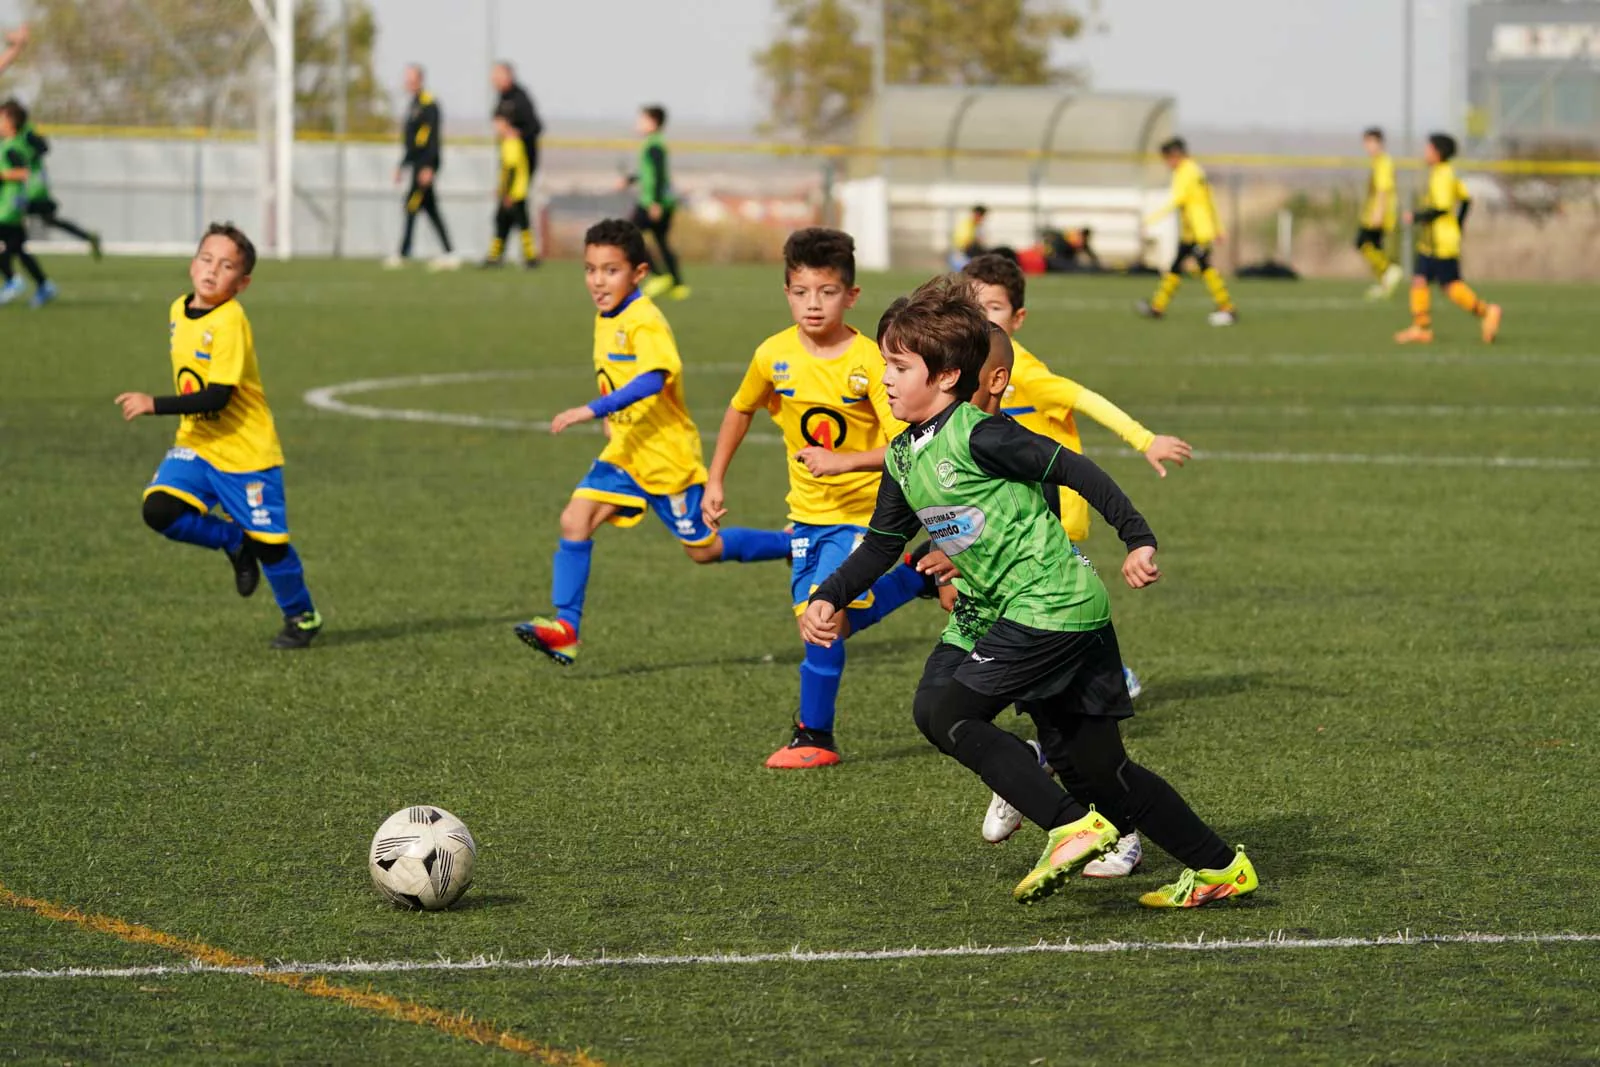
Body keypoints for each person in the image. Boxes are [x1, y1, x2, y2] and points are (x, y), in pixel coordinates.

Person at [801, 284, 1259, 909]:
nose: (883, 378)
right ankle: (1218, 867)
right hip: (1029, 610)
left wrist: (1138, 538)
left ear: (946, 377)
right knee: (1098, 770)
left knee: (945, 714)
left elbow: (1073, 468)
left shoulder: (981, 435)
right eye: (886, 363)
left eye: (898, 367)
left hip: (1050, 608)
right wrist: (829, 596)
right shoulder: (906, 455)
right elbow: (882, 545)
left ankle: (1070, 825)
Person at [514, 219, 790, 666]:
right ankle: (565, 628)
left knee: (702, 549)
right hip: (626, 452)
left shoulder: (644, 319)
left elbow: (654, 377)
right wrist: (611, 419)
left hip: (666, 457)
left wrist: (593, 410)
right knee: (574, 520)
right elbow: (615, 375)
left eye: (610, 270)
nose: (598, 282)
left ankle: (790, 545)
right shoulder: (607, 316)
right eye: (590, 270)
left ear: (638, 273)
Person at [704, 228, 928, 768]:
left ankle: (815, 737)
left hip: (867, 517)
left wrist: (844, 461)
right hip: (806, 517)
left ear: (850, 295)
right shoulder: (772, 355)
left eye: (827, 292)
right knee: (831, 621)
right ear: (786, 291)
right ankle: (918, 576)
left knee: (820, 617)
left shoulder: (872, 361)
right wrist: (715, 480)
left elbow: (909, 441)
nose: (813, 304)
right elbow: (740, 409)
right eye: (801, 291)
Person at [113, 223, 322, 649]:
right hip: (198, 444)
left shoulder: (230, 321)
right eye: (207, 259)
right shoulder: (178, 309)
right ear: (193, 264)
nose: (212, 271)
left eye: (226, 266)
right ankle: (232, 540)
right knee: (159, 510)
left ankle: (302, 617)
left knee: (271, 546)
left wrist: (154, 403)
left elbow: (217, 397)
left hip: (246, 452)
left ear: (242, 283)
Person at [1395, 133, 1502, 346]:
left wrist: (1416, 216)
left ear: (1437, 152)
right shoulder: (1442, 173)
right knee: (1420, 279)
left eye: (1428, 149)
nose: (1425, 152)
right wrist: (1459, 225)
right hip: (1433, 241)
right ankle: (1421, 327)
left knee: (1450, 286)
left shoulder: (1444, 175)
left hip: (1441, 242)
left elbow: (1442, 207)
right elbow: (1465, 199)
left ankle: (1487, 311)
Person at [1138, 137, 1236, 326]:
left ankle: (1227, 308)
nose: (1167, 164)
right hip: (1192, 232)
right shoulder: (1195, 170)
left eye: (1167, 159)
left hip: (1199, 232)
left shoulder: (1185, 172)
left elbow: (1177, 200)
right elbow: (1209, 200)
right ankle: (1158, 307)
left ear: (1175, 156)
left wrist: (1150, 220)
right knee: (1176, 268)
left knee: (1205, 268)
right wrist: (1218, 228)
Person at [386, 64, 457, 271]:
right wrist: (402, 165)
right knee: (430, 209)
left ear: (420, 80)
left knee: (411, 205)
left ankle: (404, 252)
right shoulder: (413, 104)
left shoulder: (429, 104)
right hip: (417, 164)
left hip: (424, 166)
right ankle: (449, 252)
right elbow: (412, 141)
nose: (407, 83)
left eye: (411, 78)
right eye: (406, 78)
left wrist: (429, 167)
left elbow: (432, 139)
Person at [623, 105, 686, 301]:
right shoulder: (655, 143)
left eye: (642, 120)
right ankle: (678, 285)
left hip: (652, 201)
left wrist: (655, 203)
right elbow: (648, 173)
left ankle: (658, 276)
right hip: (663, 201)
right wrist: (630, 179)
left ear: (653, 122)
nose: (638, 124)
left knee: (628, 235)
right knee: (661, 241)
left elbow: (658, 175)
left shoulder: (654, 145)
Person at [0, 100, 53, 307]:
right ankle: (43, 285)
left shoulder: (13, 146)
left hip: (9, 205)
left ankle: (13, 280)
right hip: (9, 204)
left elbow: (23, 172)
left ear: (11, 123)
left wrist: (2, 175)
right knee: (19, 249)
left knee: (12, 247)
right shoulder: (7, 144)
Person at [490, 61, 542, 267]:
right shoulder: (502, 98)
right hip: (512, 174)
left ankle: (528, 256)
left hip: (520, 173)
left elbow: (536, 127)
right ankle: (498, 255)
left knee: (516, 212)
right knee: (505, 215)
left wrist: (507, 189)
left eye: (497, 76)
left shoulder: (520, 99)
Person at [483, 113, 534, 268]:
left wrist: (506, 193)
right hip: (513, 192)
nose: (496, 128)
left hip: (515, 193)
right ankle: (496, 256)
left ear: (506, 124)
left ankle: (530, 257)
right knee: (503, 222)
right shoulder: (508, 141)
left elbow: (511, 170)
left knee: (519, 224)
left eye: (498, 124)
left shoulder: (511, 142)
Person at [1357, 127, 1402, 299]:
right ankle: (1384, 282)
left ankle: (1389, 271)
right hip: (1374, 212)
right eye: (1365, 143)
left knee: (1362, 242)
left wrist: (1378, 212)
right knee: (1373, 246)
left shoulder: (1384, 162)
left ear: (1378, 142)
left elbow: (1383, 190)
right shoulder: (1377, 161)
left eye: (1369, 142)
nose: (1367, 147)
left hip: (1381, 213)